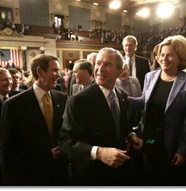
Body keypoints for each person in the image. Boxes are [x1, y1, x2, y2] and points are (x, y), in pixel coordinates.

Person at [59, 47, 143, 186]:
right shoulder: (78, 100)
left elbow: (122, 123)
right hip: (93, 176)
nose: (100, 69)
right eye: (98, 63)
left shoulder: (121, 94)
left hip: (120, 172)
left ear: (120, 70)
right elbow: (65, 141)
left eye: (107, 64)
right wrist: (99, 152)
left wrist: (131, 135)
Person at [128, 35, 186, 185]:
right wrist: (123, 99)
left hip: (171, 143)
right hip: (148, 137)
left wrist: (182, 151)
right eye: (161, 54)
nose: (163, 58)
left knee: (168, 180)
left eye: (169, 55)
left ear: (180, 57)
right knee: (148, 177)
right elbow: (144, 101)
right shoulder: (150, 76)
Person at [0, 54, 69, 186]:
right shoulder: (14, 104)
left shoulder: (62, 99)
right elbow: (7, 147)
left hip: (60, 174)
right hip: (30, 176)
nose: (58, 75)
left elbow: (67, 132)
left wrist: (63, 148)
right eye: (54, 70)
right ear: (40, 72)